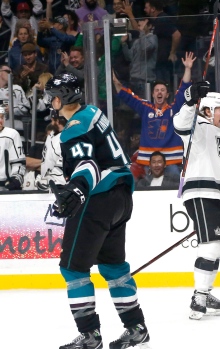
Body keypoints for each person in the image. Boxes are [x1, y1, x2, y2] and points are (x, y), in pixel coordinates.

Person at [46, 73, 150, 348]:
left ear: (62, 97)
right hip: (121, 197)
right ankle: (136, 327)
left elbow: (88, 165)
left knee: (72, 268)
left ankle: (90, 335)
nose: (50, 101)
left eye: (53, 96)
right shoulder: (93, 112)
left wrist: (77, 188)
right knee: (113, 267)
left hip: (99, 200)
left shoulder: (74, 129)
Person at [173, 88, 220, 320]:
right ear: (207, 109)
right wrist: (190, 101)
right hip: (201, 190)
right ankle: (199, 295)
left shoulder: (217, 130)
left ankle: (206, 292)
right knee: (211, 244)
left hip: (218, 193)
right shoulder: (197, 126)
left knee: (218, 245)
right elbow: (180, 124)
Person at [114, 51, 196, 172]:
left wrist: (187, 68)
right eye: (156, 90)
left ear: (167, 94)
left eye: (162, 90)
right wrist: (112, 76)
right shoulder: (145, 108)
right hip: (149, 160)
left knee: (173, 181)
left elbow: (184, 89)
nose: (159, 92)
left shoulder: (174, 109)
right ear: (152, 94)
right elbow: (126, 95)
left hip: (171, 159)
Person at [33, 110, 66, 190]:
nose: (51, 123)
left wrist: (50, 182)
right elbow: (48, 161)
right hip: (50, 184)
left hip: (60, 186)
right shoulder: (51, 135)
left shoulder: (65, 139)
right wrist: (43, 177)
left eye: (52, 120)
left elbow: (61, 167)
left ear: (57, 121)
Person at [0, 105, 25, 191]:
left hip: (5, 186)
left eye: (2, 117)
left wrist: (16, 179)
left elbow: (18, 162)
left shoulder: (11, 134)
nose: (0, 121)